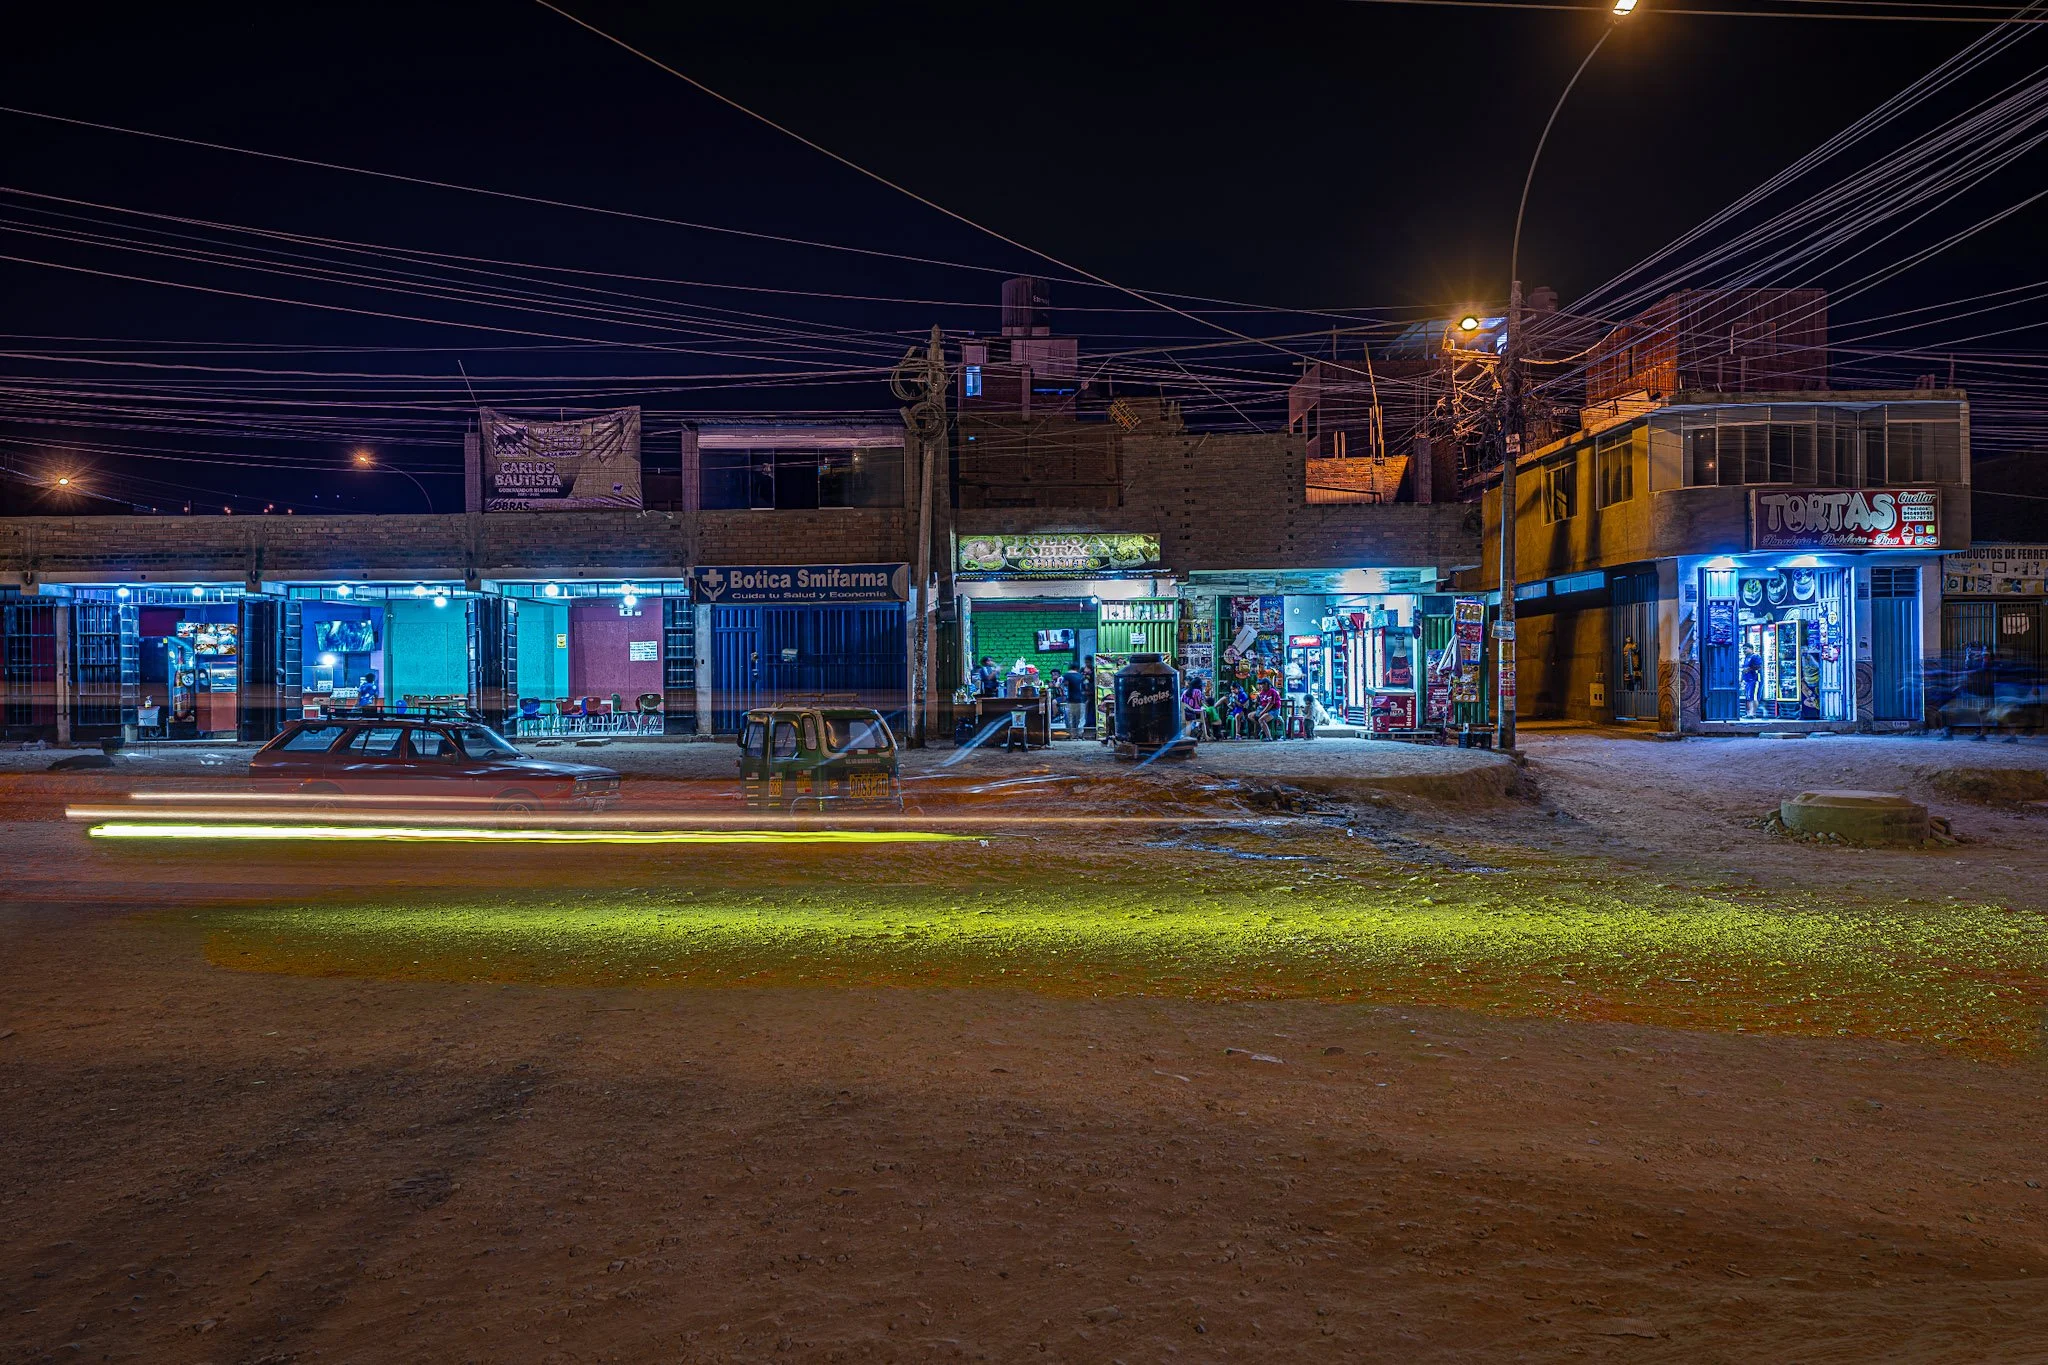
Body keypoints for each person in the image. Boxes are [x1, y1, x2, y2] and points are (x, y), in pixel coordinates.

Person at [1062, 660, 1089, 740]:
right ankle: (1080, 734)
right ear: (1077, 668)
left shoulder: (1066, 675)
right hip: (1081, 700)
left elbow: (1061, 685)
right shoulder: (1082, 676)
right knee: (1080, 718)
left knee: (1071, 718)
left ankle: (1072, 735)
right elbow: (1086, 687)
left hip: (1070, 700)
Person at [1740, 650, 1763, 717]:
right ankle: (1749, 713)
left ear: (1751, 649)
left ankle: (1752, 713)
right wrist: (1741, 680)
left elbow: (1759, 666)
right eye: (1743, 648)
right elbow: (1743, 671)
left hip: (1755, 680)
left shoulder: (1756, 656)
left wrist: (1749, 669)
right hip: (1748, 681)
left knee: (1754, 697)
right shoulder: (1746, 658)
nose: (1744, 650)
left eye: (1745, 648)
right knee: (1748, 697)